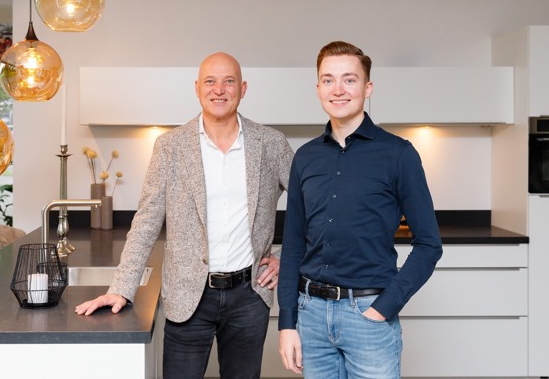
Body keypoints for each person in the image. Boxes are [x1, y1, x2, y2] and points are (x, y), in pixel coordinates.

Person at [75, 52, 294, 379]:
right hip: (187, 296)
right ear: (197, 88)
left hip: (249, 297)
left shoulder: (271, 144)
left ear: (243, 88)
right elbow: (146, 221)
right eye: (210, 81)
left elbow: (313, 207)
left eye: (228, 81)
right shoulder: (170, 146)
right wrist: (121, 287)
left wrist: (286, 258)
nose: (219, 89)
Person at [277, 41, 443, 378]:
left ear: (368, 88)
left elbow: (429, 245)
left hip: (369, 315)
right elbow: (293, 245)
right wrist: (287, 322)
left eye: (349, 80)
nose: (338, 89)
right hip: (310, 317)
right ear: (318, 88)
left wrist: (384, 308)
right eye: (328, 80)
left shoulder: (398, 154)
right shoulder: (305, 157)